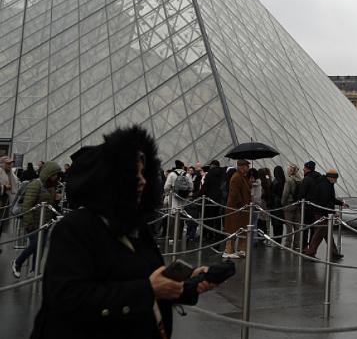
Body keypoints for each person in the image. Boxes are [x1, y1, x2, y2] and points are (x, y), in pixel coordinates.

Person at [30, 125, 216, 338]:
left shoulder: (136, 228)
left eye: (143, 173)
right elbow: (67, 299)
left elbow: (150, 280)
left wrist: (190, 284)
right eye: (132, 173)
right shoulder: (75, 227)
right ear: (109, 178)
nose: (142, 180)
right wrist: (147, 290)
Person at [12, 161, 62, 278]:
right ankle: (17, 262)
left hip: (45, 222)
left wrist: (56, 199)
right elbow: (27, 205)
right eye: (54, 174)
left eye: (56, 175)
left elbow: (49, 204)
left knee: (40, 246)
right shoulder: (36, 184)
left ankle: (35, 270)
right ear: (48, 173)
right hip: (33, 222)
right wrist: (29, 223)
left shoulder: (50, 187)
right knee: (36, 244)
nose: (55, 177)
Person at [303, 169, 347, 258]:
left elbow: (331, 199)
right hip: (321, 212)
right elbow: (325, 201)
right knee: (319, 232)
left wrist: (341, 203)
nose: (336, 181)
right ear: (330, 178)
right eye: (335, 179)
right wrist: (333, 212)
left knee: (327, 233)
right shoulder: (324, 185)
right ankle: (310, 252)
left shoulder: (327, 184)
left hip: (322, 211)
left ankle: (333, 252)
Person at [223, 159, 252, 259]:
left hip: (241, 208)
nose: (248, 168)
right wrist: (241, 205)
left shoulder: (242, 177)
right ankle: (228, 250)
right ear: (242, 166)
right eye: (247, 166)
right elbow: (234, 193)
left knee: (241, 229)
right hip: (236, 208)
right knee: (233, 229)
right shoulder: (236, 177)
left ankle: (241, 249)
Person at [282, 164, 302, 249]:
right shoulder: (300, 180)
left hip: (289, 204)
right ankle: (296, 244)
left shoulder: (289, 180)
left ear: (290, 171)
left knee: (289, 226)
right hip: (298, 204)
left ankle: (288, 243)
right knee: (297, 226)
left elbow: (285, 193)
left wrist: (282, 203)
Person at [0, 156, 20, 234]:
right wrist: (4, 187)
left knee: (2, 224)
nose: (10, 165)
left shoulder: (12, 174)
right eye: (8, 164)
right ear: (2, 164)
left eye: (11, 163)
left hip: (7, 202)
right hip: (2, 201)